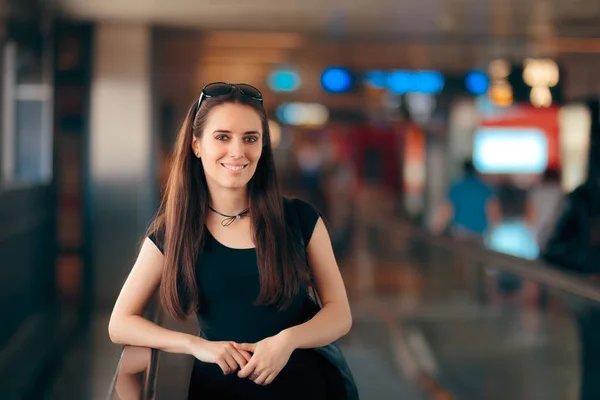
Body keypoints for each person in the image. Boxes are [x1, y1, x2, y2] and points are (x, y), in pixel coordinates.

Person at [108, 82, 354, 399]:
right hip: (218, 390)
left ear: (263, 147)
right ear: (197, 145)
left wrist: (286, 341)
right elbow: (120, 324)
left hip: (304, 387)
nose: (237, 152)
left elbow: (339, 314)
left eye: (250, 139)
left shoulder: (300, 219)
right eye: (222, 137)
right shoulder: (176, 231)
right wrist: (197, 346)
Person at [436, 160, 500, 239]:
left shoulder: (456, 188)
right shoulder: (485, 189)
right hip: (479, 234)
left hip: (460, 233)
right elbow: (493, 211)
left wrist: (439, 229)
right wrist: (492, 230)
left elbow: (446, 210)